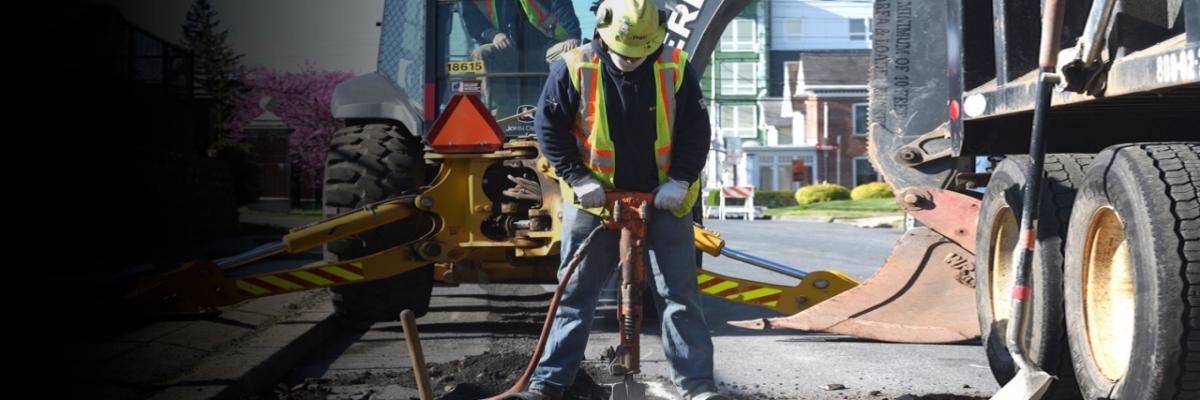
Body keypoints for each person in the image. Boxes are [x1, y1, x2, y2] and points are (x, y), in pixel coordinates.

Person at [524, 1, 723, 399]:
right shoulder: (573, 67)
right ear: (602, 32)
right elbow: (550, 130)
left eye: (640, 53)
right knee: (575, 292)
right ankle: (548, 384)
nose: (630, 60)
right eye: (622, 53)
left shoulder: (675, 67)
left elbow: (695, 131)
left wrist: (681, 181)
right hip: (594, 200)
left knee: (678, 295)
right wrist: (578, 179)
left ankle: (698, 386)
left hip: (665, 198)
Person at [463, 0, 581, 128]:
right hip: (510, 50)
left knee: (572, 54)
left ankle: (569, 116)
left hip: (545, 48)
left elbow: (560, 5)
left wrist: (573, 35)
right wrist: (494, 35)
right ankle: (497, 119)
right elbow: (473, 22)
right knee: (482, 53)